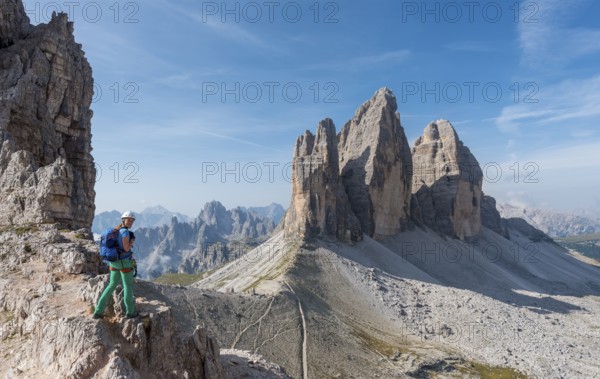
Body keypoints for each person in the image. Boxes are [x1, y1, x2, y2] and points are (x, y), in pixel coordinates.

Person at [93, 211, 138, 319]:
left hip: (113, 262)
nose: (131, 222)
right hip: (124, 263)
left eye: (132, 220)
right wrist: (131, 241)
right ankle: (130, 312)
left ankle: (98, 311)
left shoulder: (115, 230)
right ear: (123, 220)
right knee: (128, 286)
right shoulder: (125, 232)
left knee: (111, 285)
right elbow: (126, 248)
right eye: (129, 220)